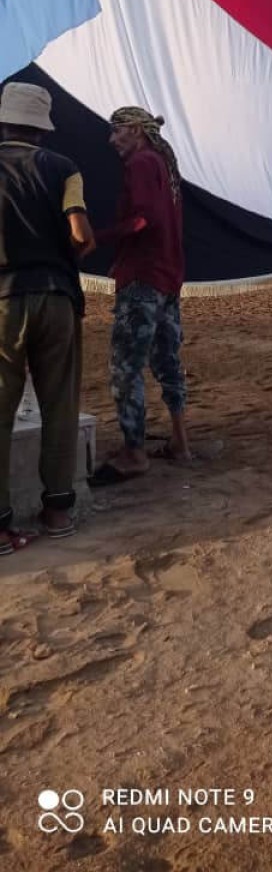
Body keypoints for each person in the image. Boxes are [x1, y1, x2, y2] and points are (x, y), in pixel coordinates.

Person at [0, 82, 96, 553]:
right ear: (43, 127)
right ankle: (58, 510)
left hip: (2, 300)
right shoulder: (63, 168)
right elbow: (79, 231)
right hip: (58, 297)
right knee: (59, 404)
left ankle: (1, 527)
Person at [91, 108, 191, 484]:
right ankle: (180, 441)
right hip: (168, 276)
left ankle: (134, 451)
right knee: (167, 359)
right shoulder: (166, 167)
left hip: (141, 277)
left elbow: (142, 218)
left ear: (133, 130)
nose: (111, 140)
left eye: (116, 131)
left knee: (126, 367)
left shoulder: (140, 164)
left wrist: (95, 240)